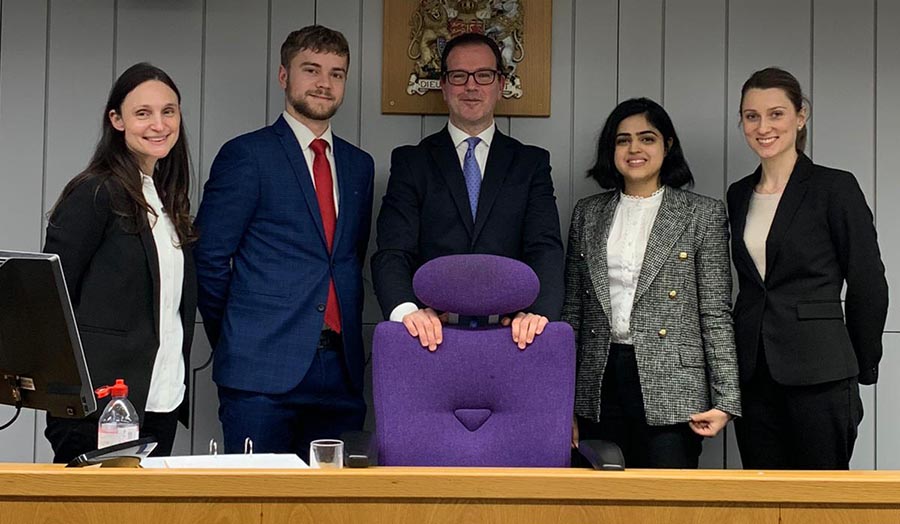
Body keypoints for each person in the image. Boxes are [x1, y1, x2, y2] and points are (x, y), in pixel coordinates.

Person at [194, 25, 373, 459]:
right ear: (283, 76)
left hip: (340, 370)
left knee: (333, 506)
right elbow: (209, 258)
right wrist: (240, 335)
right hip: (260, 371)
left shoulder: (358, 165)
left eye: (336, 73)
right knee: (257, 505)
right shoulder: (247, 156)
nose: (324, 83)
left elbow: (347, 260)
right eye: (310, 70)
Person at [563, 98, 741, 468]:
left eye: (647, 138)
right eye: (623, 140)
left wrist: (726, 399)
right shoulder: (588, 213)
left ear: (667, 145)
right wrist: (561, 402)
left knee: (667, 503)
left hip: (673, 386)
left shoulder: (702, 214)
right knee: (599, 504)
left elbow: (715, 311)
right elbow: (572, 313)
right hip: (599, 381)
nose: (634, 149)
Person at [728, 67, 888, 470]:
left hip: (822, 374)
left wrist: (858, 364)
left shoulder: (834, 187)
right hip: (754, 376)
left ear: (801, 116)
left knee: (819, 500)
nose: (763, 126)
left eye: (776, 114)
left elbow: (868, 282)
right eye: (752, 116)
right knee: (763, 502)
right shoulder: (738, 194)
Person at [43, 63, 197, 463]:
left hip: (161, 400)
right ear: (117, 120)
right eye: (142, 113)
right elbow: (50, 300)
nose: (158, 124)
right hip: (100, 407)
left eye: (169, 111)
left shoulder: (167, 199)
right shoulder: (95, 192)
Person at [372, 32, 564, 351]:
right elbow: (393, 251)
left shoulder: (531, 164)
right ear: (444, 86)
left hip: (514, 339)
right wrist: (408, 313)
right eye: (459, 76)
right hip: (428, 339)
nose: (471, 86)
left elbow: (545, 249)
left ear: (501, 85)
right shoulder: (411, 162)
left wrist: (537, 314)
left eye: (484, 75)